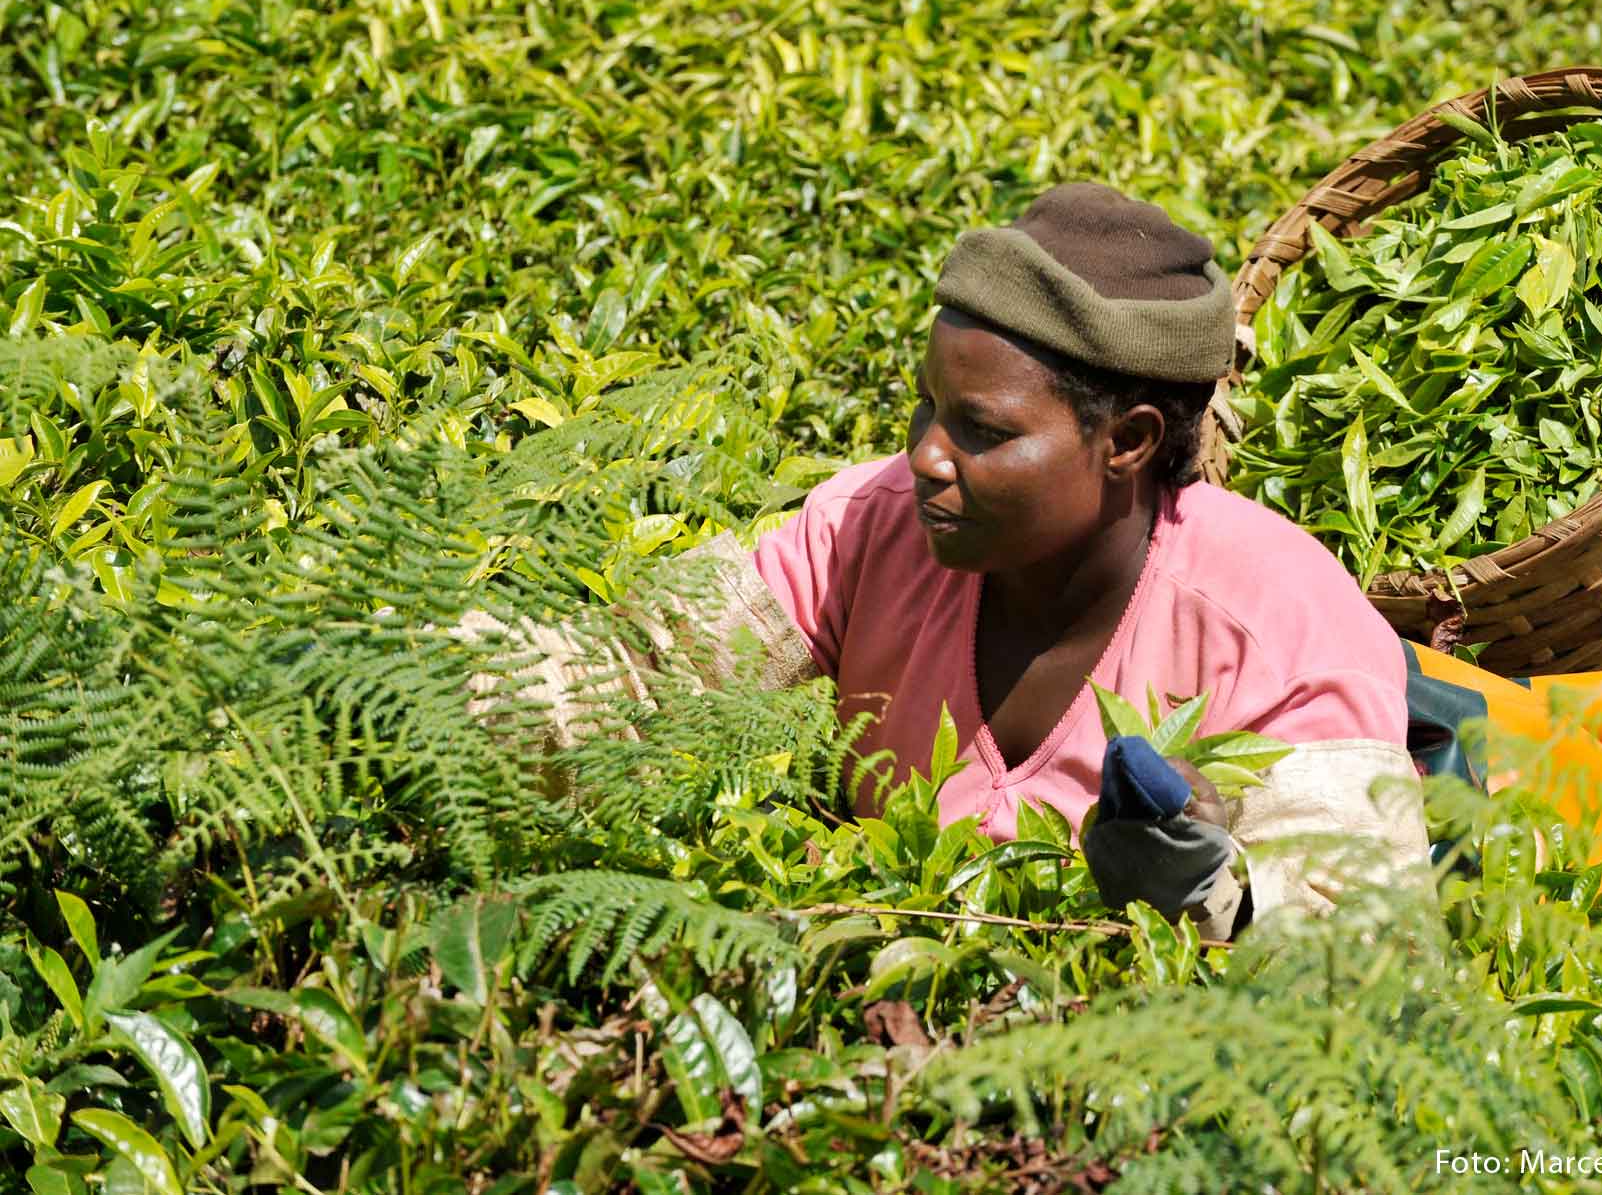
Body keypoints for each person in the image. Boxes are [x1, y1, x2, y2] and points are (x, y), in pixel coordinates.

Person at [457, 183, 1431, 942]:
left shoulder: (1279, 624)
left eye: (981, 429)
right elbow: (627, 678)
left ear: (1126, 442)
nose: (925, 452)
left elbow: (1363, 958)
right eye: (927, 405)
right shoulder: (871, 524)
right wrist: (409, 691)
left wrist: (1213, 897)